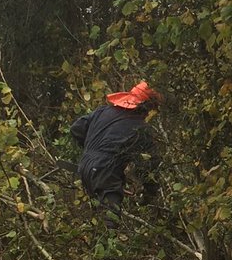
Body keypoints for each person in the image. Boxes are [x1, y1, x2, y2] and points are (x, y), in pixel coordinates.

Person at [69, 81, 163, 225]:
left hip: (85, 167)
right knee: (110, 223)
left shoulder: (103, 111)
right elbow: (149, 166)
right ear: (147, 108)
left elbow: (76, 128)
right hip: (106, 172)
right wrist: (149, 194)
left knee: (97, 219)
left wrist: (92, 150)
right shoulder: (141, 129)